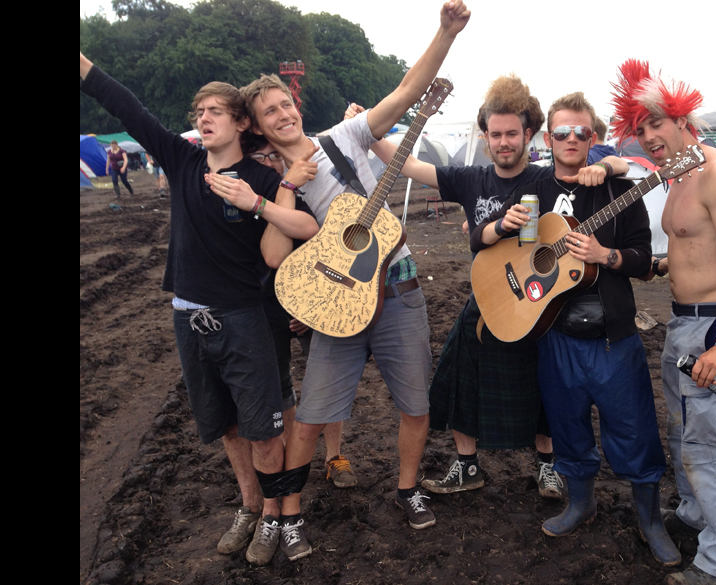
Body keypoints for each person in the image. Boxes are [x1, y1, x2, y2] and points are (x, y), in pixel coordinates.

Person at [242, 0, 471, 561]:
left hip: (400, 293)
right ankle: (290, 513)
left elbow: (403, 94)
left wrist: (444, 33)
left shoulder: (342, 137)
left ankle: (408, 488)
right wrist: (285, 186)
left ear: (295, 103)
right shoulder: (272, 176)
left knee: (415, 405)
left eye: (283, 104)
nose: (282, 115)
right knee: (315, 413)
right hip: (338, 307)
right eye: (269, 112)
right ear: (260, 126)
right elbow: (276, 255)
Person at [80, 52, 320, 567]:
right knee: (226, 426)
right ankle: (250, 505)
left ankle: (277, 513)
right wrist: (85, 68)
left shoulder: (261, 178)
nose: (204, 119)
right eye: (198, 112)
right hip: (189, 316)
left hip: (245, 317)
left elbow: (284, 251)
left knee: (263, 427)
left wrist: (277, 190)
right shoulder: (181, 159)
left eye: (215, 111)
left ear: (239, 122)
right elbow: (128, 109)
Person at [350, 75, 629, 501]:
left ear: (528, 135)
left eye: (512, 134)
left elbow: (616, 165)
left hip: (534, 300)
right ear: (485, 137)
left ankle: (547, 467)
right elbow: (406, 163)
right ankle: (466, 465)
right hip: (486, 295)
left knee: (542, 383)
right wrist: (365, 132)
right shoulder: (469, 178)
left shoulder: (544, 179)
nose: (504, 142)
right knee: (461, 379)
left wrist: (609, 164)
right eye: (495, 134)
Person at [470, 92, 681, 568]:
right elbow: (495, 242)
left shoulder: (617, 191)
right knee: (567, 428)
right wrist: (505, 230)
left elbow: (645, 261)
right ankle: (581, 503)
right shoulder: (533, 187)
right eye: (561, 132)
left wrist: (604, 256)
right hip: (555, 335)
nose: (570, 139)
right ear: (548, 138)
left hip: (612, 338)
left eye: (580, 132)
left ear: (594, 137)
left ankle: (650, 520)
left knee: (634, 430)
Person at [613, 59, 716, 585]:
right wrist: (660, 266)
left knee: (708, 444)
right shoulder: (678, 174)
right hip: (683, 323)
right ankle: (697, 514)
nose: (649, 136)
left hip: (715, 327)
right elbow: (697, 246)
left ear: (681, 119)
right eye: (640, 128)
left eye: (657, 123)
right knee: (684, 432)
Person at [245, 135, 358, 490]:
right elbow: (267, 258)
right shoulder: (244, 202)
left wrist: (310, 310)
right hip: (265, 304)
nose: (268, 163)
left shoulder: (305, 202)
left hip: (312, 303)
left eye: (273, 156)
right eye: (259, 157)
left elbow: (330, 260)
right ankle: (295, 456)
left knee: (326, 382)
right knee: (280, 385)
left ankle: (334, 456)